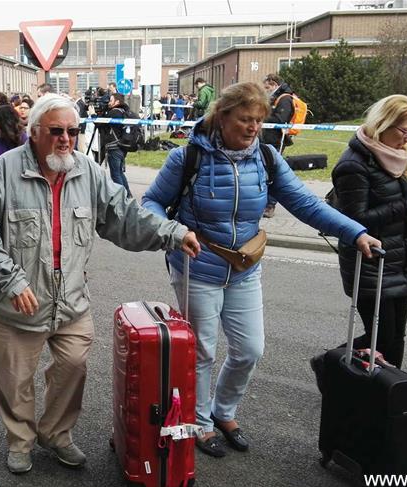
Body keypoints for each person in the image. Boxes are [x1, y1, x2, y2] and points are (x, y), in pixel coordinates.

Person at [142, 82, 380, 458]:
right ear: (222, 117)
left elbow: (305, 204)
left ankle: (224, 411)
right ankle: (201, 422)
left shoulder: (267, 158)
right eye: (244, 119)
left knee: (250, 349)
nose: (253, 127)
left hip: (244, 267)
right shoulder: (187, 158)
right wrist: (173, 230)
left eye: (258, 120)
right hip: (197, 266)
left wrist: (356, 233)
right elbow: (152, 201)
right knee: (202, 352)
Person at [0, 94, 200, 474]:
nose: (65, 140)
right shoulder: (3, 171)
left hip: (71, 302)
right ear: (35, 132)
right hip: (14, 307)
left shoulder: (88, 172)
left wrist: (173, 233)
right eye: (56, 131)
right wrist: (10, 281)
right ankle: (21, 441)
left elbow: (125, 217)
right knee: (14, 382)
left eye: (73, 132)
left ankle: (56, 434)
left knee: (73, 366)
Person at [331, 95, 407, 369]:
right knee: (381, 338)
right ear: (382, 124)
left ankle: (388, 397)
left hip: (399, 260)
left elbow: (390, 201)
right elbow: (354, 220)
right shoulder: (354, 165)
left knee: (395, 339)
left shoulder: (393, 157)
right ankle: (329, 364)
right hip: (370, 263)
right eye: (404, 130)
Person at [261, 74, 296, 218]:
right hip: (268, 138)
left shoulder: (285, 99)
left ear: (274, 84)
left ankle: (270, 205)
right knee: (265, 171)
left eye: (267, 87)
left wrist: (262, 115)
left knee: (272, 173)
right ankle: (265, 203)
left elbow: (280, 119)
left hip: (275, 140)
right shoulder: (276, 98)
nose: (266, 90)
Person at [99, 92, 132, 195]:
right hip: (121, 146)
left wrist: (93, 114)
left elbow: (100, 124)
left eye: (111, 100)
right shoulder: (123, 111)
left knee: (115, 175)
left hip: (114, 147)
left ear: (117, 101)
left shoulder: (114, 113)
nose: (109, 102)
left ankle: (122, 197)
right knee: (119, 173)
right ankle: (127, 195)